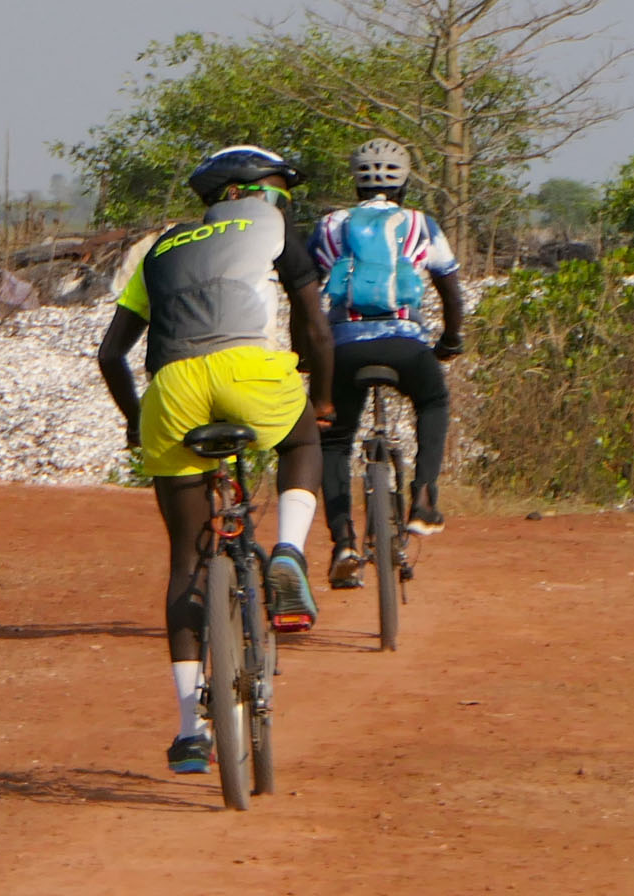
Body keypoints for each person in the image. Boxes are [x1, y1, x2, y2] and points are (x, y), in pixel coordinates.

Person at [96, 143, 337, 777]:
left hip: (171, 390)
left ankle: (188, 731)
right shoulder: (277, 228)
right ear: (244, 193)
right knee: (304, 439)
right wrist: (326, 395)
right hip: (251, 374)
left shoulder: (162, 248)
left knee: (185, 561)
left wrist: (135, 424)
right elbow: (313, 321)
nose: (279, 199)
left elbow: (111, 355)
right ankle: (287, 551)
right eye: (275, 188)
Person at [310, 136, 464, 592]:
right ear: (404, 181)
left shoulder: (329, 226)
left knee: (334, 439)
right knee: (433, 401)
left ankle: (342, 543)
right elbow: (450, 291)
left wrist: (308, 352)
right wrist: (450, 340)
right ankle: (424, 498)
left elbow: (302, 291)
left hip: (343, 347)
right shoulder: (421, 223)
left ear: (355, 181)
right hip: (406, 344)